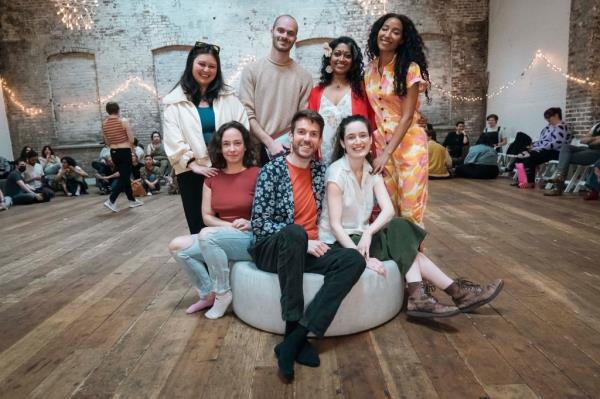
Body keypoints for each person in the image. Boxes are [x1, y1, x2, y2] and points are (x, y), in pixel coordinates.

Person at [321, 114, 503, 318]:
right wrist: (358, 256)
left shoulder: (370, 169)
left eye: (363, 136)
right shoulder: (336, 174)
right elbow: (335, 226)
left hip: (361, 236)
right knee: (408, 248)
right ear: (343, 143)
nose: (358, 142)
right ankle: (454, 293)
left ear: (371, 140)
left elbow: (388, 210)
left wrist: (369, 232)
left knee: (400, 225)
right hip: (340, 242)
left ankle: (424, 297)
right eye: (351, 137)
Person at [249, 110, 366, 381]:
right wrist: (304, 241)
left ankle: (296, 338)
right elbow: (260, 223)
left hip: (310, 247)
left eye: (313, 134)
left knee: (353, 260)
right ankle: (292, 327)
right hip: (272, 248)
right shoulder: (271, 170)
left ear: (319, 140)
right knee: (294, 233)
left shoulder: (321, 172)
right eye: (301, 132)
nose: (307, 138)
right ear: (290, 136)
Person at [169, 121, 259, 318]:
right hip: (220, 234)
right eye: (227, 144)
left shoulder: (258, 174)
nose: (232, 149)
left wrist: (249, 224)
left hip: (250, 236)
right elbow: (207, 217)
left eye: (237, 143)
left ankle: (222, 293)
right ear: (220, 147)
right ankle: (208, 293)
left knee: (207, 235)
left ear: (245, 146)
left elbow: (266, 214)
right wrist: (229, 227)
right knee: (177, 246)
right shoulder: (212, 177)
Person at [163, 41, 249, 234]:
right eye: (201, 64)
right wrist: (193, 164)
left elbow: (243, 129)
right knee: (200, 226)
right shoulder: (174, 103)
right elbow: (172, 138)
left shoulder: (229, 99)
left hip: (226, 169)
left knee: (229, 224)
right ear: (191, 65)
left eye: (212, 66)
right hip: (191, 172)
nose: (206, 70)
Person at [364, 13, 431, 226]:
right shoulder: (369, 70)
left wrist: (386, 154)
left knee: (411, 207)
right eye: (385, 28)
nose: (388, 34)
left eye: (396, 31)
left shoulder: (410, 68)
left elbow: (408, 116)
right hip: (381, 144)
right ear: (377, 31)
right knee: (388, 207)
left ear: (402, 39)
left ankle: (416, 257)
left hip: (409, 145)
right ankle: (393, 258)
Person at [240, 14, 313, 164]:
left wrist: (287, 144)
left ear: (295, 38)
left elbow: (302, 119)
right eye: (280, 30)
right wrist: (270, 142)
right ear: (272, 31)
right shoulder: (251, 70)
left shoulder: (304, 77)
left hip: (286, 150)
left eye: (290, 33)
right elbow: (247, 114)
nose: (284, 36)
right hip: (254, 152)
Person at [307, 36, 374, 164]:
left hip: (356, 158)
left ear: (353, 61)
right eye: (337, 54)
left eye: (347, 56)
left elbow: (375, 118)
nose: (341, 59)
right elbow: (312, 127)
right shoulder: (316, 93)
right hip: (323, 160)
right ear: (329, 57)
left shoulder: (362, 90)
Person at [514, 107, 572, 188]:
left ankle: (529, 182)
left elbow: (557, 143)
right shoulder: (548, 127)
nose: (547, 119)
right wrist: (533, 146)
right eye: (546, 117)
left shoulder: (562, 127)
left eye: (549, 117)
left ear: (556, 115)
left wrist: (537, 148)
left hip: (555, 151)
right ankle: (522, 180)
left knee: (529, 156)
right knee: (520, 155)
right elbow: (542, 140)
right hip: (544, 149)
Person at [101, 102, 144, 211]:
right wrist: (133, 151)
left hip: (113, 152)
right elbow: (132, 140)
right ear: (118, 110)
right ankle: (111, 200)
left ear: (107, 111)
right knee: (124, 177)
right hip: (124, 151)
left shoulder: (104, 124)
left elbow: (106, 141)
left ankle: (132, 200)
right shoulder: (123, 122)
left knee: (125, 176)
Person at [544, 121, 600, 196]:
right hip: (588, 149)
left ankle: (557, 187)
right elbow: (583, 140)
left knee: (564, 158)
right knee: (565, 147)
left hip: (597, 153)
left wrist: (590, 140)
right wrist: (596, 138)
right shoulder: (597, 125)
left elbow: (593, 142)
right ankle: (560, 175)